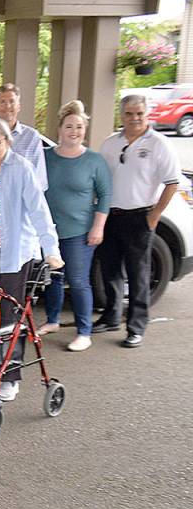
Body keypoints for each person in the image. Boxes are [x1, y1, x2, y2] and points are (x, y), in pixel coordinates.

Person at [0, 118, 63, 402]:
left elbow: (41, 213)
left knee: (8, 317)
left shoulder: (21, 169)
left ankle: (9, 376)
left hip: (15, 254)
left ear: (7, 142)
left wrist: (51, 250)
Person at [95, 95, 182, 348]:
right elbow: (100, 179)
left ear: (147, 114)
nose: (134, 118)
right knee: (109, 271)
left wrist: (153, 216)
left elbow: (172, 182)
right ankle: (111, 317)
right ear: (121, 116)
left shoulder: (159, 144)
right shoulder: (110, 143)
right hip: (111, 216)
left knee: (138, 275)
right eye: (129, 114)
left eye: (139, 113)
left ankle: (136, 326)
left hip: (139, 218)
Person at [38, 101, 111, 352]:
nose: (74, 131)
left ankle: (84, 332)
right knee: (53, 279)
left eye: (79, 127)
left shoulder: (94, 160)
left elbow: (105, 195)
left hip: (79, 231)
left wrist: (98, 227)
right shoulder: (45, 157)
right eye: (69, 126)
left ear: (84, 129)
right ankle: (52, 320)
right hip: (49, 232)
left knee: (78, 281)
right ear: (60, 128)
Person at [0, 83, 47, 190]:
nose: (8, 106)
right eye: (2, 102)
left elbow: (39, 179)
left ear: (19, 106)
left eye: (12, 101)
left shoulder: (32, 137)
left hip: (21, 201)